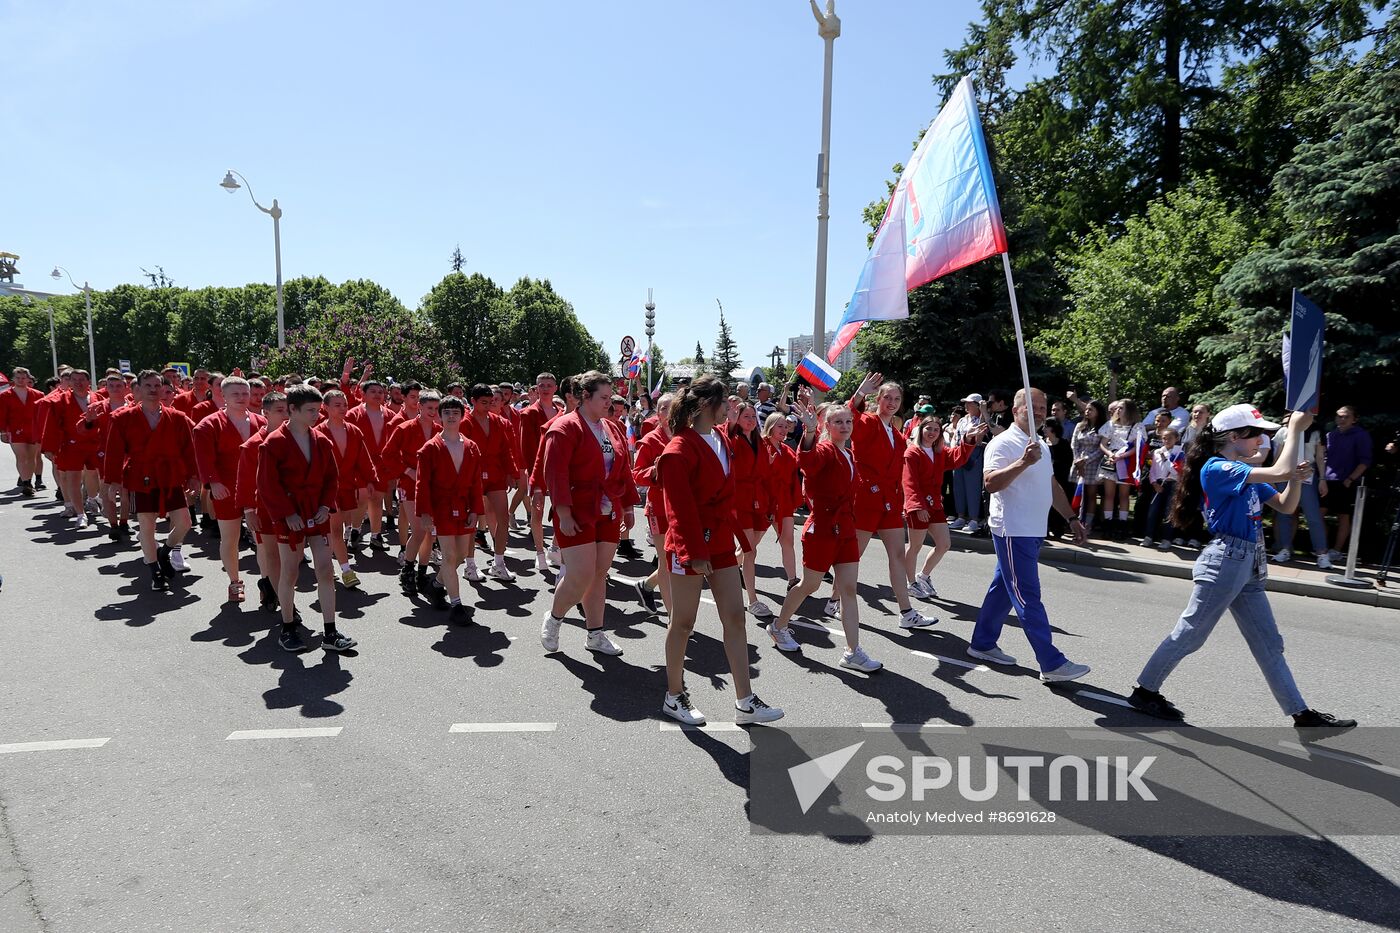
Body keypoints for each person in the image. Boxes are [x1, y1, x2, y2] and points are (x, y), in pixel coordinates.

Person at [1128, 405, 1355, 730]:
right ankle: (1145, 691)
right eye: (1257, 435)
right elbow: (1277, 471)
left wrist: (1297, 479)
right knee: (1190, 634)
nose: (1262, 440)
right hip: (1226, 560)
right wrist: (1294, 432)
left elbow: (1286, 505)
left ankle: (1301, 714)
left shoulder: (1243, 472)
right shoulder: (1218, 468)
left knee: (1268, 643)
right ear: (1234, 437)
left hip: (1247, 563)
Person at [656, 374, 784, 725]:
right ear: (702, 407)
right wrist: (692, 553)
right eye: (723, 402)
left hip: (721, 543)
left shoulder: (721, 439)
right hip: (691, 546)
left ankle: (745, 701)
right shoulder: (678, 450)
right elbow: (677, 512)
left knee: (735, 616)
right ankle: (674, 695)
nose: (730, 406)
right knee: (682, 622)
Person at [969, 388, 1092, 682]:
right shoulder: (1002, 443)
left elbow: (1052, 486)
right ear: (1015, 411)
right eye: (1031, 407)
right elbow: (990, 484)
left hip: (1033, 529)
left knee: (1004, 588)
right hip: (1013, 529)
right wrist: (1023, 462)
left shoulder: (1042, 445)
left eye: (1042, 407)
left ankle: (982, 643)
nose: (1038, 411)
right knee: (1027, 595)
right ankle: (1051, 663)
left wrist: (1072, 519)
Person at [768, 401, 885, 672]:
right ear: (827, 426)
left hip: (845, 529)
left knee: (849, 590)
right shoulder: (823, 449)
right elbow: (808, 462)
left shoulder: (849, 452)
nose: (845, 426)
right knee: (810, 585)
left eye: (848, 422)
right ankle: (778, 626)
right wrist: (809, 432)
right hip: (822, 529)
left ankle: (852, 651)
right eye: (838, 422)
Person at [538, 371, 636, 657]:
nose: (610, 403)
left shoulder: (611, 428)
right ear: (585, 397)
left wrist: (628, 506)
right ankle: (555, 618)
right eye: (604, 398)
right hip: (577, 509)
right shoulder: (564, 427)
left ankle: (595, 633)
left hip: (607, 510)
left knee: (599, 574)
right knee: (580, 575)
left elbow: (623, 469)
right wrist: (564, 513)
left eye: (609, 397)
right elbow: (554, 473)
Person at [257, 384, 356, 653]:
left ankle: (330, 631)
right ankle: (287, 628)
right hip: (289, 516)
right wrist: (286, 513)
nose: (316, 415)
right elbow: (267, 485)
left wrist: (326, 506)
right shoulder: (273, 443)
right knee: (290, 571)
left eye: (317, 409)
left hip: (317, 513)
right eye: (310, 410)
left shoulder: (322, 441)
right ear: (292, 410)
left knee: (325, 569)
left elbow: (331, 478)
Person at [844, 373, 935, 628]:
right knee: (854, 555)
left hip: (891, 503)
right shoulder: (867, 422)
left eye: (896, 398)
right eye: (887, 397)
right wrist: (860, 393)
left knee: (897, 555)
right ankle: (835, 599)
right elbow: (849, 417)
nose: (892, 402)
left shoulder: (897, 435)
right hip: (868, 499)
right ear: (878, 399)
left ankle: (907, 612)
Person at [102, 370, 199, 592]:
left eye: (158, 386)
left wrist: (194, 476)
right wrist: (114, 482)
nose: (154, 390)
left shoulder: (177, 417)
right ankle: (154, 568)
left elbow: (189, 450)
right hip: (140, 476)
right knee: (147, 525)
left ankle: (165, 552)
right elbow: (114, 452)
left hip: (171, 476)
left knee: (184, 522)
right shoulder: (122, 418)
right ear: (137, 389)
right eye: (148, 386)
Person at [192, 376, 264, 601]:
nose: (242, 398)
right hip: (226, 488)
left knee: (261, 539)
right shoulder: (208, 424)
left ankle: (268, 583)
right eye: (236, 394)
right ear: (223, 396)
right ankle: (235, 582)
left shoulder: (261, 422)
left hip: (256, 489)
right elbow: (204, 458)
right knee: (230, 538)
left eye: (245, 393)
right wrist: (213, 482)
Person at [416, 396, 484, 622]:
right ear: (440, 416)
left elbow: (476, 482)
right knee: (449, 555)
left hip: (464, 507)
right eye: (447, 412)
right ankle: (457, 605)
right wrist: (425, 513)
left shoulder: (472, 447)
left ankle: (435, 584)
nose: (451, 416)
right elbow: (422, 483)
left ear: (462, 415)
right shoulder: (430, 448)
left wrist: (475, 509)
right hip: (441, 507)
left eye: (456, 412)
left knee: (461, 556)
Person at [904, 415, 983, 597]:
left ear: (940, 433)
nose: (932, 432)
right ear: (921, 429)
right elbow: (909, 482)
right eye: (928, 428)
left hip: (935, 505)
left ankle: (923, 576)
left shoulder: (940, 452)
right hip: (918, 506)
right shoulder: (912, 453)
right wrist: (918, 506)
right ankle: (910, 583)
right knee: (915, 546)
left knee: (944, 544)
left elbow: (958, 458)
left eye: (936, 429)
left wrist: (969, 438)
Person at [314, 389, 378, 589]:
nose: (342, 409)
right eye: (337, 405)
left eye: (344, 405)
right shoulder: (317, 433)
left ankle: (330, 564)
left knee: (335, 530)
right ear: (325, 407)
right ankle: (346, 570)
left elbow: (363, 459)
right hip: (325, 490)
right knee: (335, 529)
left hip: (348, 486)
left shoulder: (354, 431)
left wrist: (370, 479)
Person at [385, 391, 443, 595]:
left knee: (430, 533)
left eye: (437, 409)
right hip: (409, 486)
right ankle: (407, 570)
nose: (433, 412)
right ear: (419, 406)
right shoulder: (404, 428)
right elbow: (387, 455)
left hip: (433, 487)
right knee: (418, 530)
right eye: (430, 408)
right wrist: (407, 470)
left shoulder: (439, 430)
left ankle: (422, 572)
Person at [462, 383, 520, 582]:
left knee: (503, 518)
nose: (488, 406)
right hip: (473, 476)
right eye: (484, 402)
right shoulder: (465, 422)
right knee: (473, 521)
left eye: (491, 402)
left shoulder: (497, 421)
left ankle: (499, 562)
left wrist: (512, 472)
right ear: (473, 401)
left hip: (495, 475)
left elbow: (506, 450)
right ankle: (470, 565)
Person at [237, 392, 289, 613]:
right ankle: (270, 586)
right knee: (267, 551)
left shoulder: (293, 438)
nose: (285, 415)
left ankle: (272, 586)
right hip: (263, 507)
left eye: (288, 409)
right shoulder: (253, 446)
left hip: (289, 507)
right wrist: (249, 510)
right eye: (279, 411)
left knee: (286, 554)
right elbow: (246, 480)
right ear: (265, 413)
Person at [727, 403, 775, 618]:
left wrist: (771, 503)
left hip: (759, 500)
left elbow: (767, 474)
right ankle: (752, 599)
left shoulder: (760, 442)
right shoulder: (732, 439)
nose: (751, 419)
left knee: (749, 548)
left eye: (753, 416)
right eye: (746, 416)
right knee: (750, 551)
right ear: (736, 418)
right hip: (741, 500)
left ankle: (722, 571)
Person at [39, 369, 104, 528]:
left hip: (94, 444)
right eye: (74, 380)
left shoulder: (98, 399)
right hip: (71, 445)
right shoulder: (61, 400)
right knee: (73, 479)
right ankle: (80, 514)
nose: (77, 383)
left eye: (81, 379)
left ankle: (92, 499)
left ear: (89, 382)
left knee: (95, 476)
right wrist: (49, 447)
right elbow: (52, 425)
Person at [630, 392, 675, 616]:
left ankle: (646, 586)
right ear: (658, 413)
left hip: (681, 508)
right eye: (665, 407)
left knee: (674, 562)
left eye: (673, 407)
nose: (669, 411)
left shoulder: (684, 437)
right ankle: (673, 618)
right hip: (658, 508)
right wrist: (656, 471)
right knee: (667, 562)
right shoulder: (650, 440)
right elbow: (637, 474)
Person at [517, 372, 564, 572]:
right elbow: (525, 446)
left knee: (561, 509)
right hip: (537, 469)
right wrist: (529, 472)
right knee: (537, 511)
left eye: (548, 385)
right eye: (541, 385)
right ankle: (539, 552)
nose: (545, 388)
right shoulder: (528, 413)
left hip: (558, 469)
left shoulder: (562, 412)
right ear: (536, 389)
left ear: (555, 388)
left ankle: (554, 546)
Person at [345, 379, 399, 551]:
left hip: (382, 464)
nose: (377, 395)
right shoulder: (353, 414)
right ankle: (355, 531)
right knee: (361, 499)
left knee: (377, 500)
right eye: (373, 391)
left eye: (380, 392)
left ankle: (376, 536)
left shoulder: (390, 415)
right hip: (360, 463)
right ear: (363, 394)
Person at [1271, 413, 1330, 568]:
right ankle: (1285, 549)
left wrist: (1322, 479)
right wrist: (1273, 478)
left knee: (1313, 516)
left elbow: (1319, 457)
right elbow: (1277, 457)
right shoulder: (1284, 431)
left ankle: (1322, 553)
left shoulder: (1316, 432)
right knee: (1284, 514)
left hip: (1307, 476)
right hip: (1286, 475)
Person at [1321, 405, 1372, 561]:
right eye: (1339, 416)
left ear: (1354, 419)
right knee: (1318, 514)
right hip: (1327, 480)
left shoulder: (1361, 435)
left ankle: (1336, 551)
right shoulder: (1331, 435)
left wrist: (1350, 479)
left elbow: (1365, 461)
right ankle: (1322, 548)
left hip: (1346, 482)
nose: (1341, 419)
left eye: (1346, 416)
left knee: (1343, 516)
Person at [762, 411, 803, 591]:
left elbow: (794, 478)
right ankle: (732, 567)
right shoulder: (761, 447)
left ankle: (792, 580)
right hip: (765, 502)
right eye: (780, 426)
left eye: (786, 426)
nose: (784, 430)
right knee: (750, 546)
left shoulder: (787, 450)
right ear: (770, 427)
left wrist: (796, 499)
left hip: (784, 501)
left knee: (788, 541)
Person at [1098, 398, 1145, 540]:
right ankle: (1108, 523)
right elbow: (1103, 444)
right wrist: (1111, 454)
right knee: (1109, 494)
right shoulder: (1111, 425)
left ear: (1129, 410)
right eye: (1117, 408)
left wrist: (1122, 455)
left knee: (1124, 495)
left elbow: (1138, 446)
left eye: (1121, 408)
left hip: (1126, 463)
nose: (1118, 411)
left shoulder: (1137, 426)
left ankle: (1123, 524)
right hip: (1112, 462)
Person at [0, 368, 44, 496]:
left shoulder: (38, 394)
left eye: (23, 378)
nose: (20, 380)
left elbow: (42, 415)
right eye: (18, 378)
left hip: (34, 429)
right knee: (21, 456)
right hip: (15, 429)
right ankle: (25, 482)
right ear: (13, 379)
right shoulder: (4, 396)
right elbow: (2, 415)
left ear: (28, 378)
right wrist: (3, 432)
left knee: (31, 457)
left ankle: (29, 480)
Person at [1142, 427, 1184, 549]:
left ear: (1176, 439)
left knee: (1168, 513)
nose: (1166, 440)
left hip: (1172, 484)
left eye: (1170, 438)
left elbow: (1175, 471)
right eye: (1164, 438)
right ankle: (1149, 536)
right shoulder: (1157, 452)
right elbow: (1153, 470)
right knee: (1153, 511)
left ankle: (1166, 539)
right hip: (1158, 484)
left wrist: (1165, 458)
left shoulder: (1179, 453)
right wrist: (1154, 483)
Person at [949, 393, 986, 532]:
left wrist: (983, 412)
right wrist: (953, 451)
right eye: (966, 403)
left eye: (970, 403)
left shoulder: (980, 419)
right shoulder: (963, 420)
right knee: (958, 486)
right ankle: (961, 516)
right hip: (959, 452)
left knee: (972, 487)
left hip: (974, 454)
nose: (966, 405)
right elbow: (955, 437)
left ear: (977, 405)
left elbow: (979, 439)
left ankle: (974, 518)